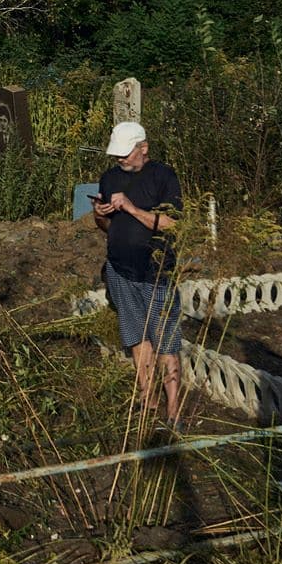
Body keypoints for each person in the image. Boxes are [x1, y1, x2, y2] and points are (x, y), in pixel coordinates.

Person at [91, 120, 185, 431]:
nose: (119, 159)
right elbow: (108, 227)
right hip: (120, 270)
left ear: (143, 149)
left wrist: (131, 209)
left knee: (166, 341)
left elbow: (173, 224)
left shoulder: (163, 177)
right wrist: (100, 216)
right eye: (116, 154)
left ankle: (173, 412)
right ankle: (149, 400)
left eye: (125, 153)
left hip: (156, 271)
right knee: (137, 337)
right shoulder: (110, 177)